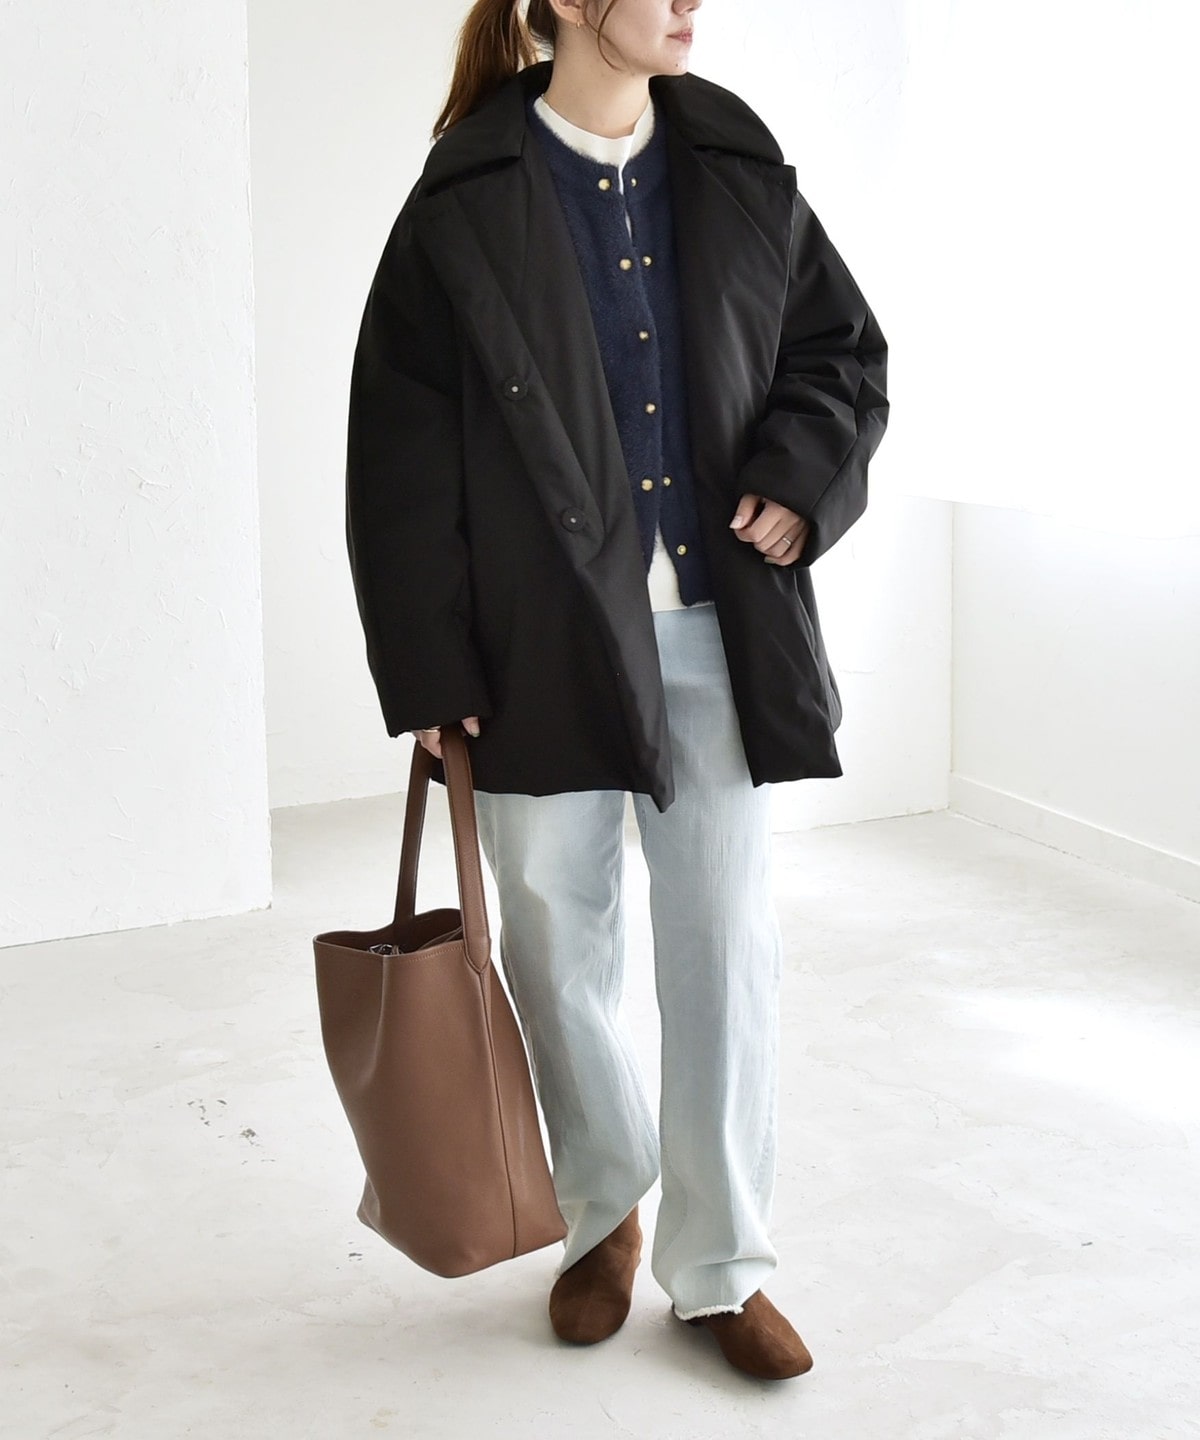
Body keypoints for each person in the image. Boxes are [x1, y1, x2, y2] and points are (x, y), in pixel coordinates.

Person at [345, 0, 888, 1382]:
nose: (692, 3)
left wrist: (798, 483)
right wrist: (432, 664)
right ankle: (604, 1213)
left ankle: (721, 1267)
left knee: (724, 947)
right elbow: (399, 449)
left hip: (716, 626)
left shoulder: (738, 169)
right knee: (551, 936)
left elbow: (838, 355)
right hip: (535, 641)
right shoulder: (465, 197)